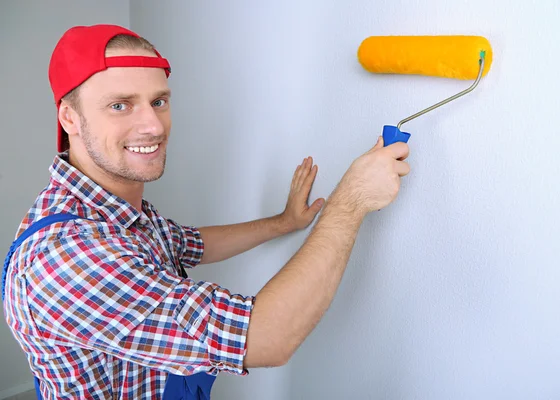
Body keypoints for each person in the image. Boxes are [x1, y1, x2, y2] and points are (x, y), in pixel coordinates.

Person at [2, 24, 410, 399]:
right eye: (120, 106)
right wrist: (351, 199)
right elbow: (266, 338)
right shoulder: (68, 258)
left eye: (158, 101)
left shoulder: (110, 209)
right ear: (70, 117)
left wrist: (283, 222)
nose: (153, 126)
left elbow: (190, 243)